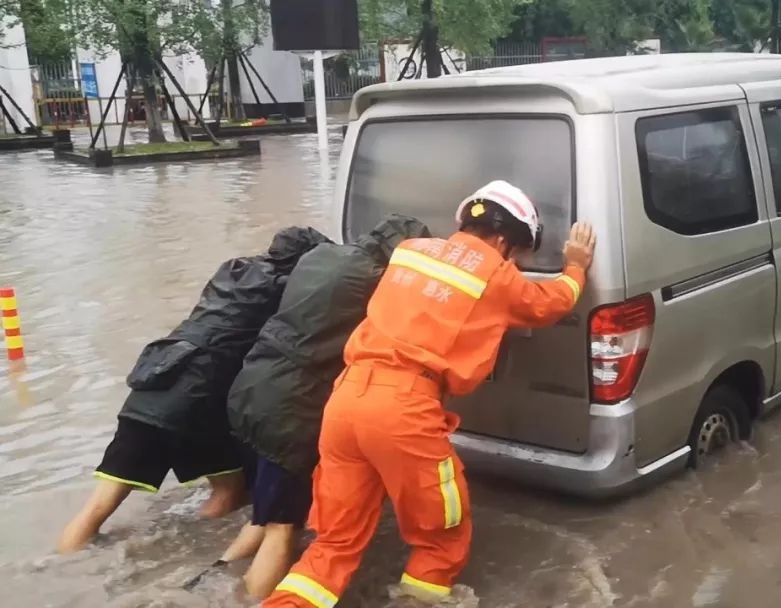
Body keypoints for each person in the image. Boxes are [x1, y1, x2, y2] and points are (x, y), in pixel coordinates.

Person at [264, 180, 597, 607]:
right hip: (403, 408)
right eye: (517, 252)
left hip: (345, 400)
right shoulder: (496, 273)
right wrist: (576, 265)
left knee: (334, 543)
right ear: (503, 241)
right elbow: (550, 303)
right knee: (443, 534)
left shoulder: (409, 251)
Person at [57, 227, 329, 554]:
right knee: (230, 491)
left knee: (97, 508)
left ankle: (63, 565)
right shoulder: (284, 290)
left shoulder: (233, 269)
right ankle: (197, 551)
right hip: (197, 401)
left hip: (153, 384)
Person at [206, 215, 432, 600]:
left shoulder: (320, 254)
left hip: (250, 387)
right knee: (283, 525)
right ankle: (254, 598)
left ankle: (211, 582)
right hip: (290, 408)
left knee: (264, 510)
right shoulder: (377, 281)